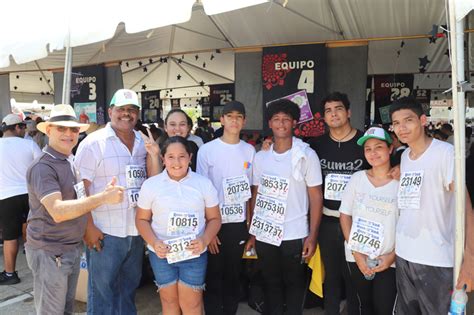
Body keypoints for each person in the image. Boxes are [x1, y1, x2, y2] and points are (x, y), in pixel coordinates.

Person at [25, 104, 125, 314]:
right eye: (61, 128)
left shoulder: (69, 161)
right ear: (49, 130)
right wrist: (103, 198)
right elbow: (58, 211)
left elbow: (79, 197)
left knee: (65, 310)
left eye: (73, 129)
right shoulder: (44, 167)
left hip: (68, 250)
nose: (68, 134)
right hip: (50, 252)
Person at [75, 89, 160, 314]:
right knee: (102, 294)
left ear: (137, 114)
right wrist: (88, 227)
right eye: (121, 109)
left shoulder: (144, 143)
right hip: (105, 233)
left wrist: (153, 155)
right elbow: (79, 189)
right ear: (110, 111)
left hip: (135, 230)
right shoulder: (93, 143)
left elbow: (153, 181)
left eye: (131, 110)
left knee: (127, 292)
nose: (126, 114)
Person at [390, 96, 474, 314]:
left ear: (423, 120)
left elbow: (467, 210)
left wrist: (470, 262)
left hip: (436, 260)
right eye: (396, 123)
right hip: (405, 255)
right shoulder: (405, 157)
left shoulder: (445, 154)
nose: (402, 128)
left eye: (408, 120)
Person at [245, 99, 323, 315]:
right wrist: (252, 232)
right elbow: (255, 195)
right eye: (276, 119)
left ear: (294, 123)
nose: (281, 124)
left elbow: (316, 197)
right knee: (271, 284)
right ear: (270, 123)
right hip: (266, 234)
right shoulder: (261, 158)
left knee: (295, 286)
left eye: (286, 120)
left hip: (295, 233)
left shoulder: (306, 156)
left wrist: (312, 236)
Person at [136, 136, 221, 315]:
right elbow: (141, 220)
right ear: (163, 159)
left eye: (182, 156)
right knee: (169, 303)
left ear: (190, 157)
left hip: (193, 254)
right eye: (171, 157)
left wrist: (204, 240)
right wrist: (153, 241)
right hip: (161, 254)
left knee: (192, 305)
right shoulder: (151, 185)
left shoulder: (203, 184)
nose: (176, 162)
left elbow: (214, 219)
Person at [309, 92, 367, 314]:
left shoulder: (364, 143)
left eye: (339, 109)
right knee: (331, 276)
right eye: (328, 111)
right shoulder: (316, 146)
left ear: (349, 112)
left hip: (358, 221)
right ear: (323, 117)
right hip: (328, 221)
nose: (334, 114)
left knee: (354, 275)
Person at [197, 101, 255, 314]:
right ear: (221, 120)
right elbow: (200, 193)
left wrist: (250, 227)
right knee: (213, 277)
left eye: (239, 116)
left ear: (244, 121)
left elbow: (250, 192)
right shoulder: (207, 150)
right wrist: (208, 231)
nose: (234, 120)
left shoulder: (250, 151)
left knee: (233, 277)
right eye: (229, 116)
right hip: (214, 223)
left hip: (238, 224)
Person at [339, 126, 398, 314]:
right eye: (368, 149)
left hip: (389, 259)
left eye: (378, 147)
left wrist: (392, 256)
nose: (373, 153)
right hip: (357, 257)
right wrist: (356, 253)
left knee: (385, 307)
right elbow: (345, 215)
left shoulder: (400, 182)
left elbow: (408, 223)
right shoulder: (357, 178)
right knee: (361, 306)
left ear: (390, 148)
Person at [0, 114, 41, 284]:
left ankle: (10, 274)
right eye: (23, 127)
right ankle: (41, 270)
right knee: (32, 234)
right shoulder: (29, 144)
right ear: (17, 127)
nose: (24, 130)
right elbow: (41, 167)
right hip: (30, 194)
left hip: (6, 196)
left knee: (10, 237)